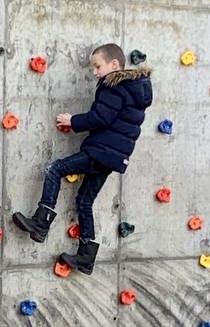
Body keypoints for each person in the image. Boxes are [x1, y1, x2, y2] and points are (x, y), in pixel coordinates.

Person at [12, 43, 153, 274]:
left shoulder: (114, 85)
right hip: (113, 156)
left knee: (55, 169)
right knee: (85, 201)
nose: (95, 72)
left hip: (100, 151)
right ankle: (86, 257)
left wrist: (72, 121)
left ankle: (41, 222)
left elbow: (101, 118)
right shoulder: (135, 90)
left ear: (114, 64)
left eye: (98, 66)